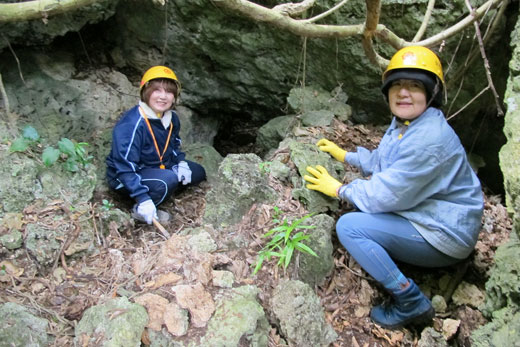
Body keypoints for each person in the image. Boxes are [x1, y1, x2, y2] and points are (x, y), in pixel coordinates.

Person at [303, 46, 484, 329]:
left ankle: (410, 301)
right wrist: (346, 156)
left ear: (431, 93)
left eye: (414, 85)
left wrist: (339, 189)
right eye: (396, 85)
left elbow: (384, 195)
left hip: (445, 233)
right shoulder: (407, 122)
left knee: (350, 227)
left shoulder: (429, 139)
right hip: (432, 214)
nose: (403, 93)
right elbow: (387, 162)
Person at [106, 66, 206, 225]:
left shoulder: (171, 119)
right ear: (146, 92)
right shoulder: (132, 123)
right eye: (157, 90)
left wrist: (180, 163)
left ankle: (163, 188)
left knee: (198, 172)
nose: (163, 97)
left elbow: (174, 144)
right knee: (168, 180)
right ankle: (140, 209)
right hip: (129, 175)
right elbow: (124, 166)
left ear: (175, 97)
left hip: (160, 166)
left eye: (169, 92)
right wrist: (142, 198)